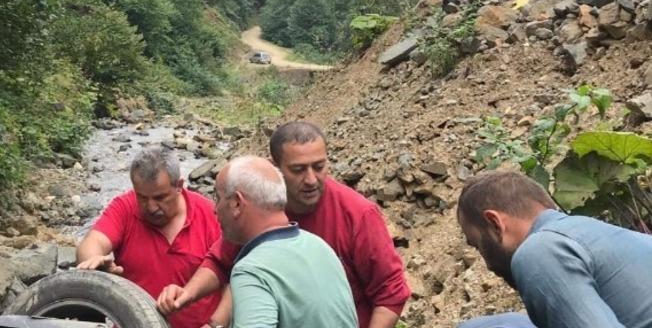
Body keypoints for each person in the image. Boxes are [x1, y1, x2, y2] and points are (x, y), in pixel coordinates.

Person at [158, 121, 410, 328]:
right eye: (298, 169)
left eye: (319, 167)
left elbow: (392, 293)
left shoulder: (358, 215)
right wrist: (186, 296)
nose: (311, 179)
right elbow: (221, 259)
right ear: (275, 168)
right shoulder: (264, 209)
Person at [457, 170, 652, 328]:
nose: (488, 264)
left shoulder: (538, 251)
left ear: (495, 223)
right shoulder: (591, 232)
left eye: (478, 245)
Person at [76, 147, 226, 328]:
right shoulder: (125, 207)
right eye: (142, 197)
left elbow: (233, 278)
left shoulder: (210, 214)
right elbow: (92, 243)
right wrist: (95, 262)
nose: (151, 207)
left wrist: (214, 325)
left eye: (160, 197)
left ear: (179, 185)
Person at [213, 155, 357, 327]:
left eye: (218, 198)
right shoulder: (320, 247)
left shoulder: (252, 270)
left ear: (237, 203)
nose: (215, 209)